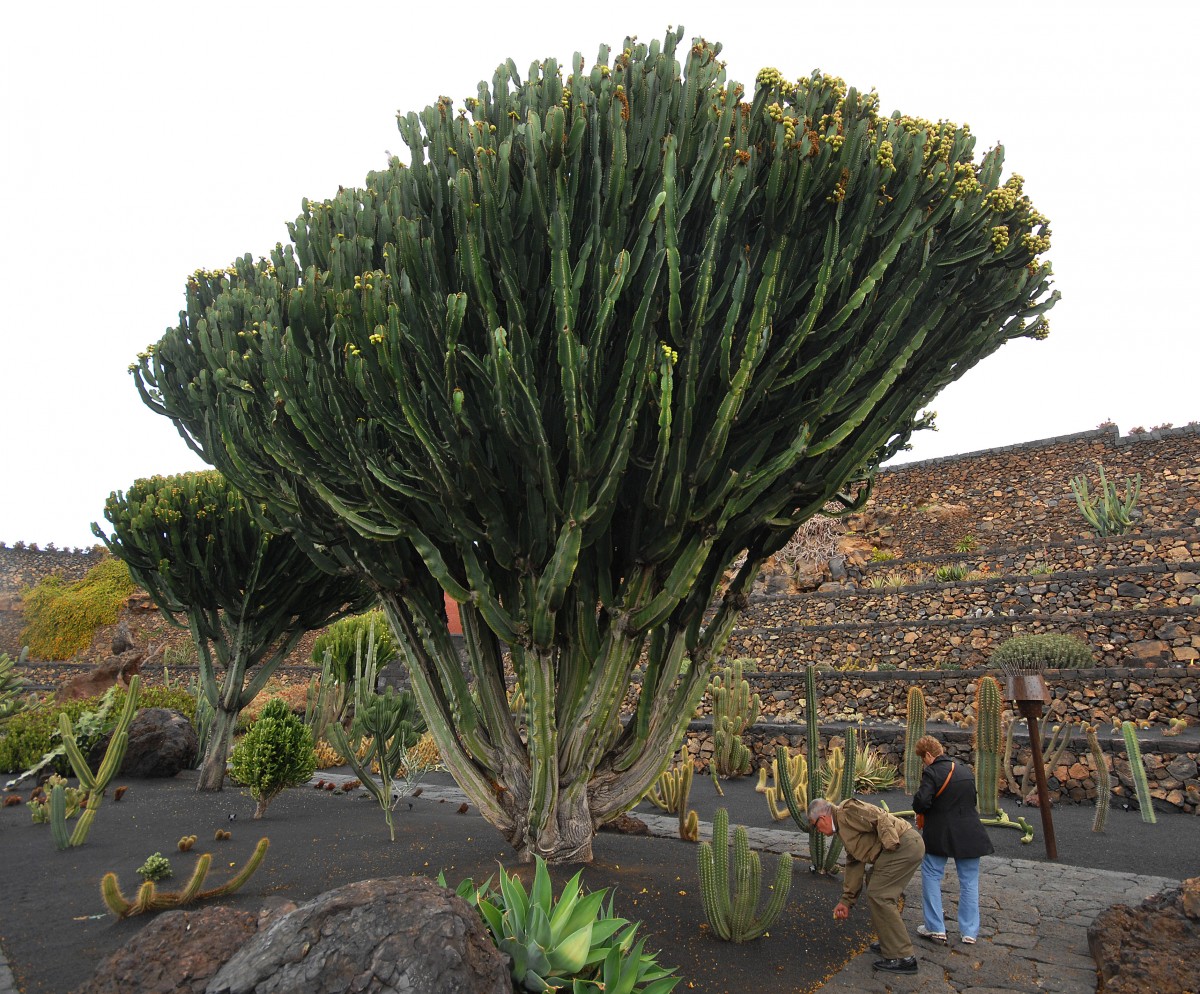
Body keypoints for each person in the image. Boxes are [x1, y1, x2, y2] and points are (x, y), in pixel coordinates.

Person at [809, 795, 925, 975]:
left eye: (815, 826)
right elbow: (854, 862)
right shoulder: (843, 829)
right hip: (902, 847)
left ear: (822, 818)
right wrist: (846, 901)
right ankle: (890, 941)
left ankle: (903, 957)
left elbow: (879, 817)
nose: (817, 831)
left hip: (903, 845)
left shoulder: (847, 811)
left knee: (880, 894)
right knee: (875, 884)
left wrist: (891, 843)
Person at [911, 734, 995, 945]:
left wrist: (920, 811)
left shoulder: (932, 772)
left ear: (929, 755)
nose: (924, 763)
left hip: (940, 833)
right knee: (969, 881)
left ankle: (935, 927)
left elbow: (922, 801)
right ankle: (969, 932)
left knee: (931, 874)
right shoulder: (964, 770)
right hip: (970, 833)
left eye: (923, 758)